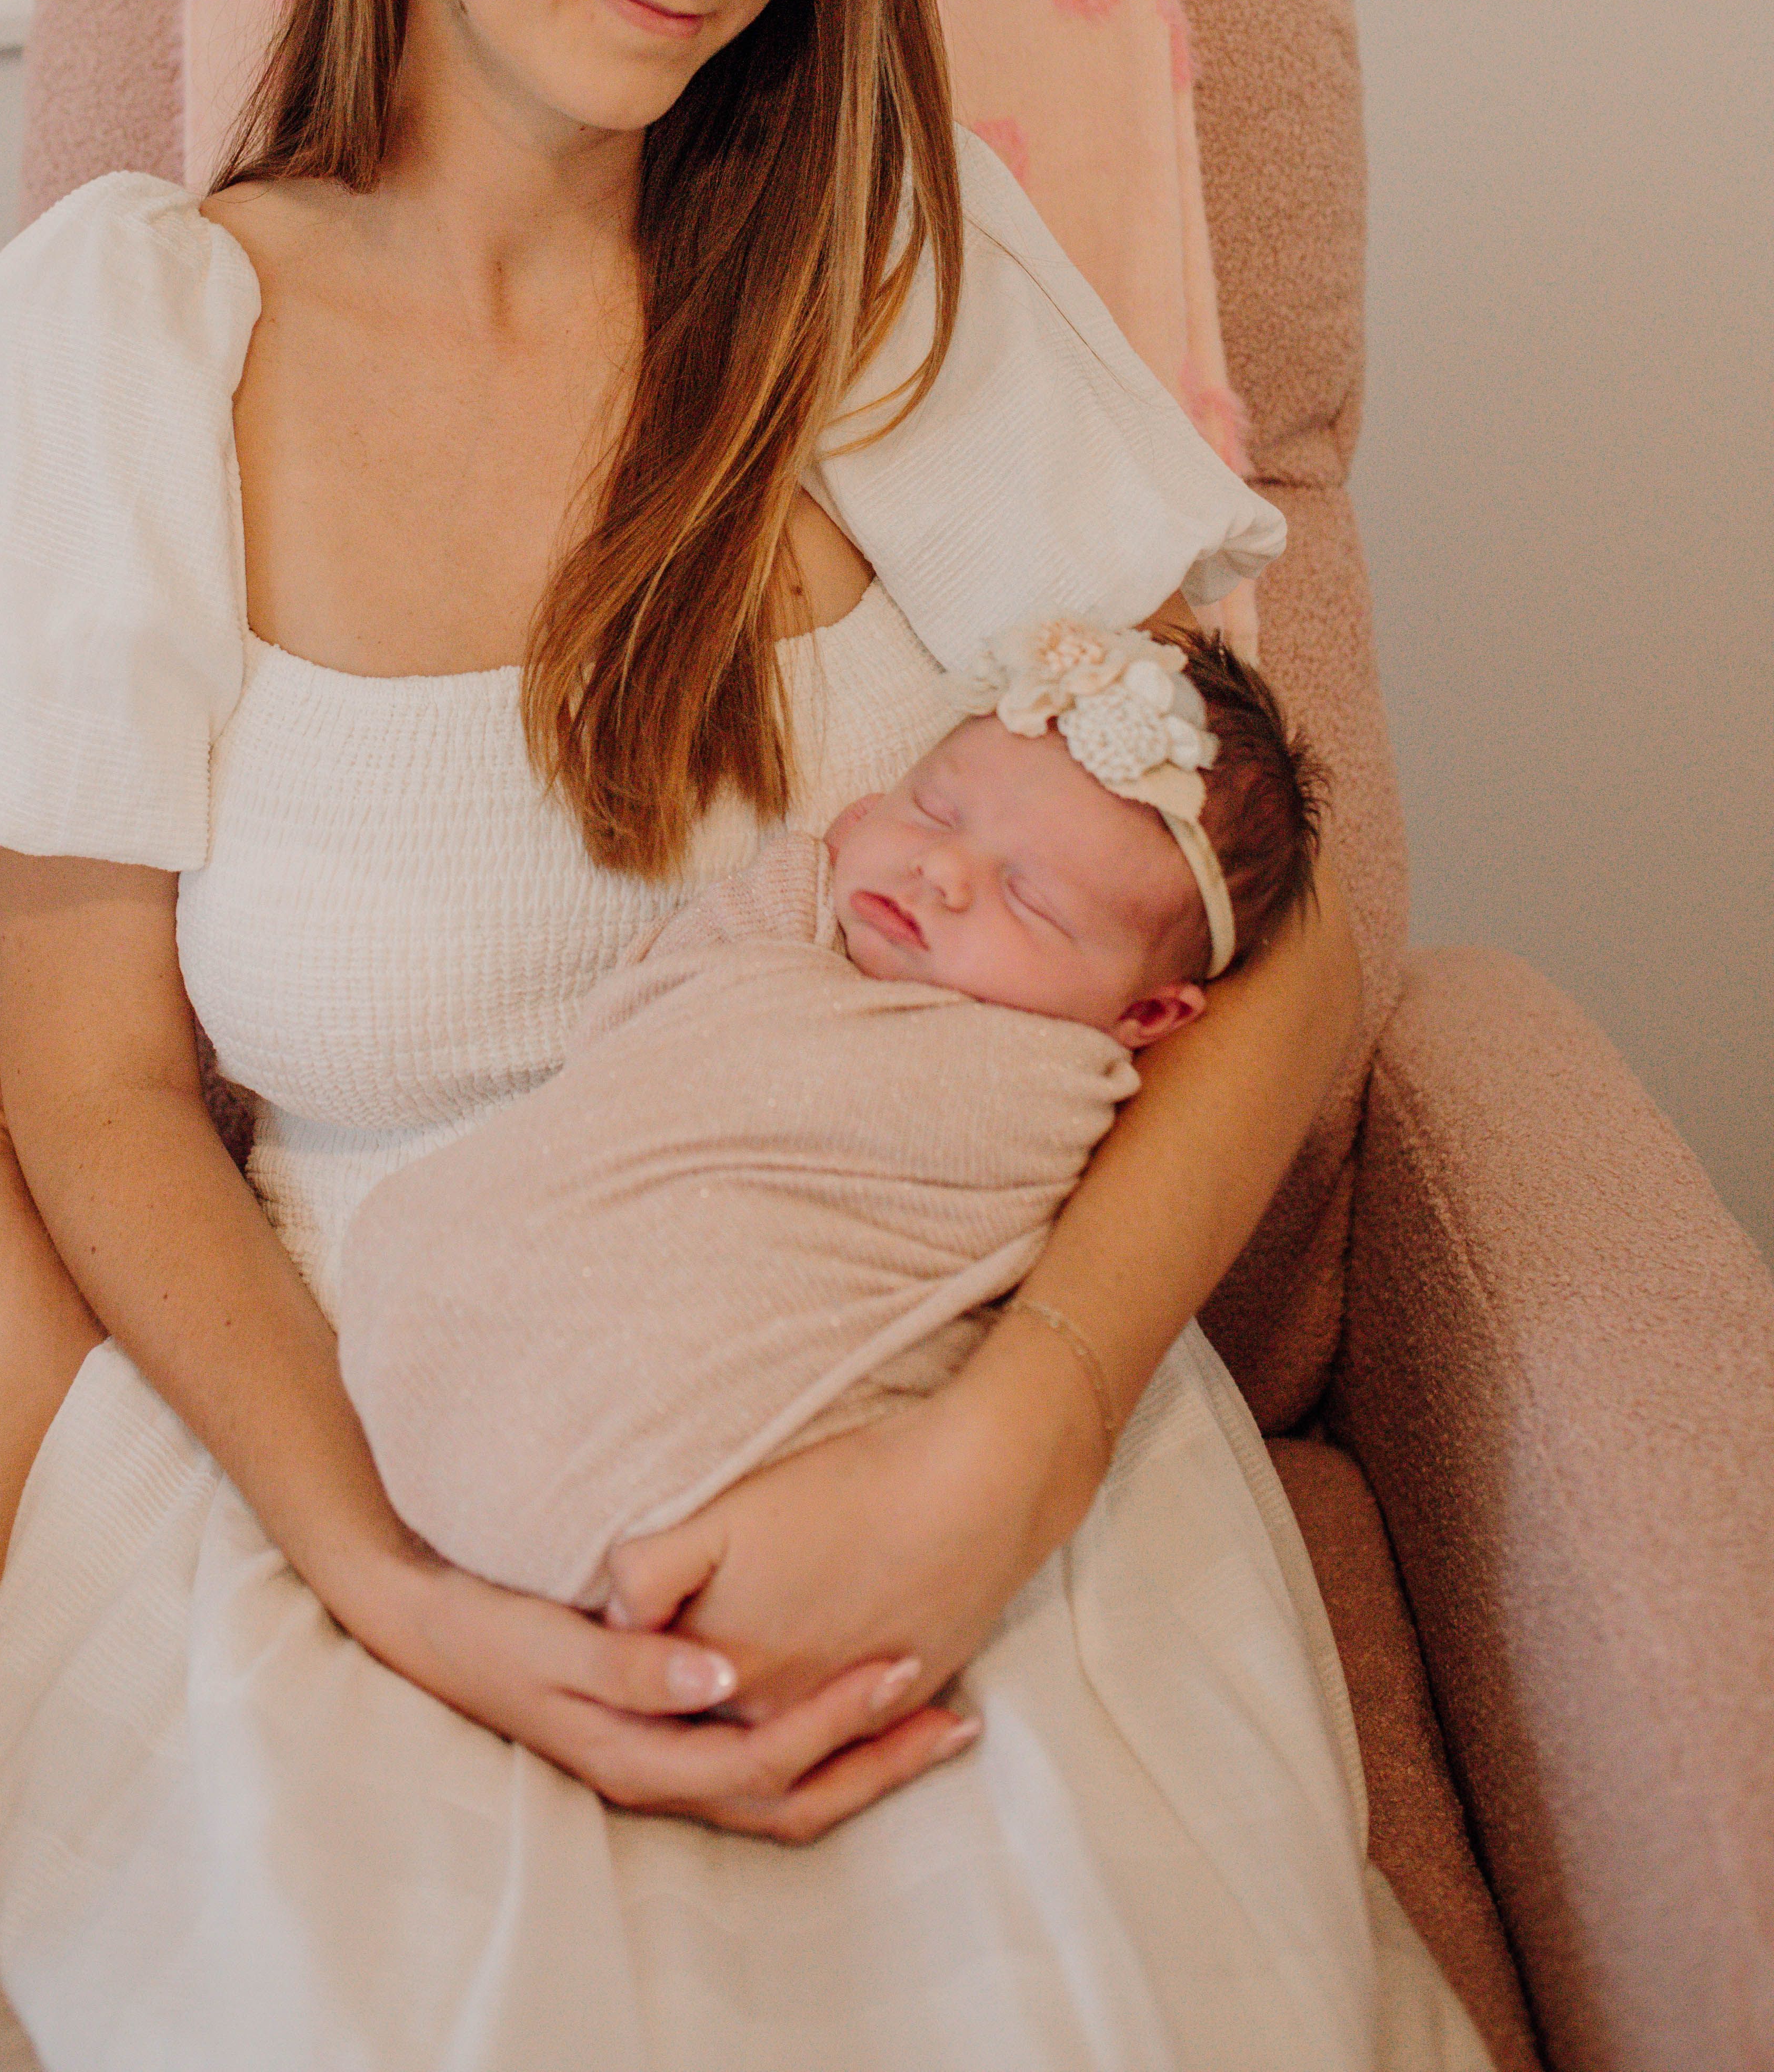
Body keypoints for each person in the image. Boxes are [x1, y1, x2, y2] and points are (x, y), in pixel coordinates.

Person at [0, 0, 1484, 2070]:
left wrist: (1016, 1456)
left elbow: (1304, 947)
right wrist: (389, 1584)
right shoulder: (128, 343)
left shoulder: (881, 276)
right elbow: (105, 1091)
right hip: (369, 1436)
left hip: (936, 1397)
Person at [338, 619, 1328, 1612]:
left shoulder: (1052, 1087)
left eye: (1032, 900)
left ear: (1147, 1015)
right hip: (431, 1336)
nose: (943, 873)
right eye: (934, 810)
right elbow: (633, 1032)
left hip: (699, 1456)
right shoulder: (789, 917)